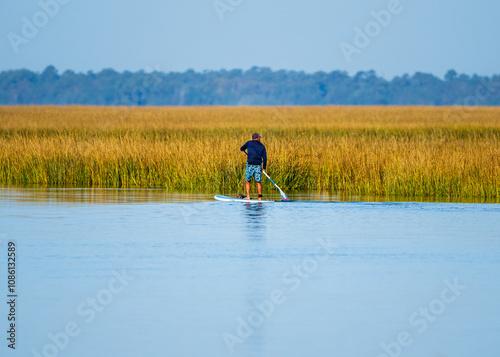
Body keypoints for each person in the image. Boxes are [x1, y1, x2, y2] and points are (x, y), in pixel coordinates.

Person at [240, 133, 267, 200]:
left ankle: (248, 197)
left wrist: (244, 149)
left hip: (250, 164)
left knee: (247, 180)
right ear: (257, 138)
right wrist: (264, 168)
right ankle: (259, 198)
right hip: (258, 165)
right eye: (259, 138)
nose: (260, 139)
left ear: (252, 138)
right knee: (258, 182)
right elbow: (265, 158)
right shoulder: (262, 146)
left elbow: (241, 148)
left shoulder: (249, 143)